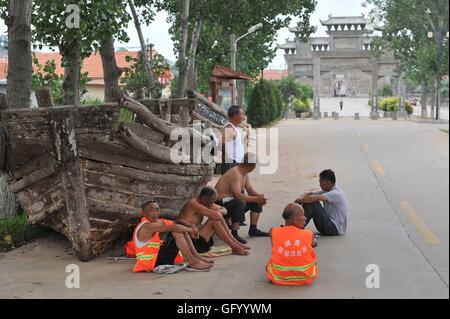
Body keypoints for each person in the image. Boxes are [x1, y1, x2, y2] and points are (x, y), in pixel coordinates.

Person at [166, 187, 250, 257]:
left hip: (197, 238)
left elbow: (225, 211)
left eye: (213, 201)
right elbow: (217, 215)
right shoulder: (194, 204)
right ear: (204, 198)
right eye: (211, 201)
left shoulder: (205, 201)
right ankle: (234, 245)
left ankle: (235, 243)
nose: (212, 204)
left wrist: (215, 209)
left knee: (216, 219)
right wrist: (216, 211)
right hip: (190, 241)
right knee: (214, 220)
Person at [132, 200, 213, 273]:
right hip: (153, 262)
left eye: (157, 210)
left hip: (158, 258)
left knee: (181, 227)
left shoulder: (158, 221)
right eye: (151, 210)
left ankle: (197, 257)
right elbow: (174, 227)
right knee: (177, 232)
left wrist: (190, 226)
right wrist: (191, 230)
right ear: (143, 213)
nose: (155, 213)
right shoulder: (147, 226)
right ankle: (193, 262)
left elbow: (177, 222)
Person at [215, 153, 269, 244]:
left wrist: (259, 198)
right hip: (220, 204)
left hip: (230, 203)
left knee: (255, 200)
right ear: (252, 166)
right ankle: (234, 233)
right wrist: (256, 199)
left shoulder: (244, 173)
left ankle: (253, 229)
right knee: (240, 202)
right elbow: (237, 195)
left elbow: (250, 189)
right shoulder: (235, 173)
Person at [266, 203, 319, 286]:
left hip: (277, 277)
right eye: (303, 215)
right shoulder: (308, 234)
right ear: (294, 220)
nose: (305, 218)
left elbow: (276, 246)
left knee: (271, 262)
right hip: (306, 277)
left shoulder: (273, 231)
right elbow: (314, 244)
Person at [295, 169, 348, 236]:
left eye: (320, 181)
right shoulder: (328, 191)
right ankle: (296, 225)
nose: (319, 184)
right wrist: (300, 198)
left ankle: (297, 227)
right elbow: (310, 194)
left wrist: (298, 202)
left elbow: (311, 198)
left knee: (313, 203)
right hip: (329, 225)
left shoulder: (336, 193)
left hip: (334, 229)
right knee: (309, 200)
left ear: (328, 182)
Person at [221, 105, 246, 175]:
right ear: (235, 115)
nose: (243, 117)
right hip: (231, 164)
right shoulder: (229, 128)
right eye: (241, 114)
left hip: (235, 163)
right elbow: (221, 144)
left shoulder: (234, 128)